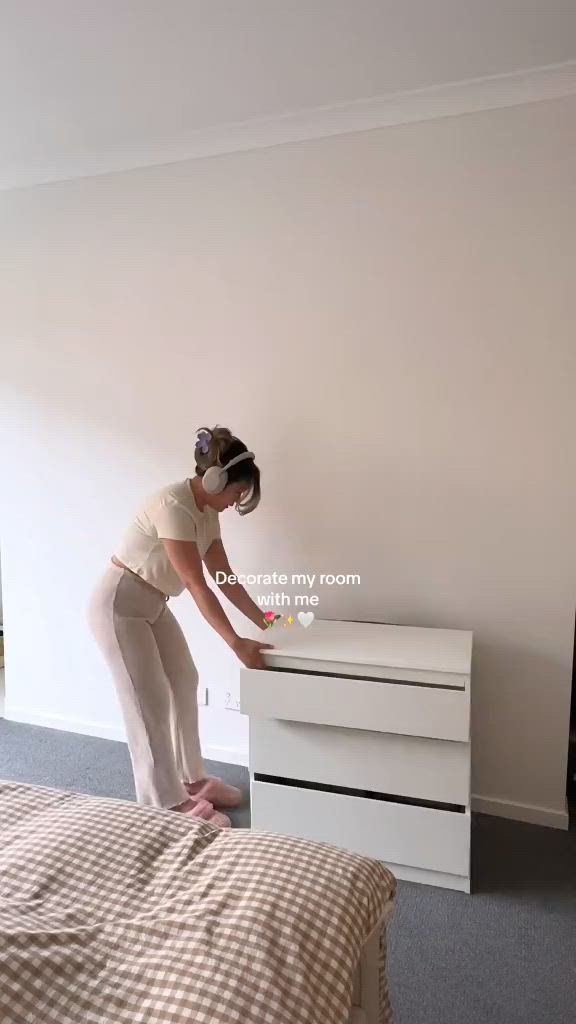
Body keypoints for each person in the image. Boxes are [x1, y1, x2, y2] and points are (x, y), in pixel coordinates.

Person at [88, 425, 274, 827]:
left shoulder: (207, 513)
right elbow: (195, 583)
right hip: (120, 602)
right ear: (216, 479)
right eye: (237, 493)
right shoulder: (174, 506)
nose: (235, 503)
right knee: (148, 702)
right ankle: (164, 804)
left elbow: (223, 575)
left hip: (152, 601)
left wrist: (266, 622)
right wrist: (235, 642)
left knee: (184, 679)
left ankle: (191, 780)